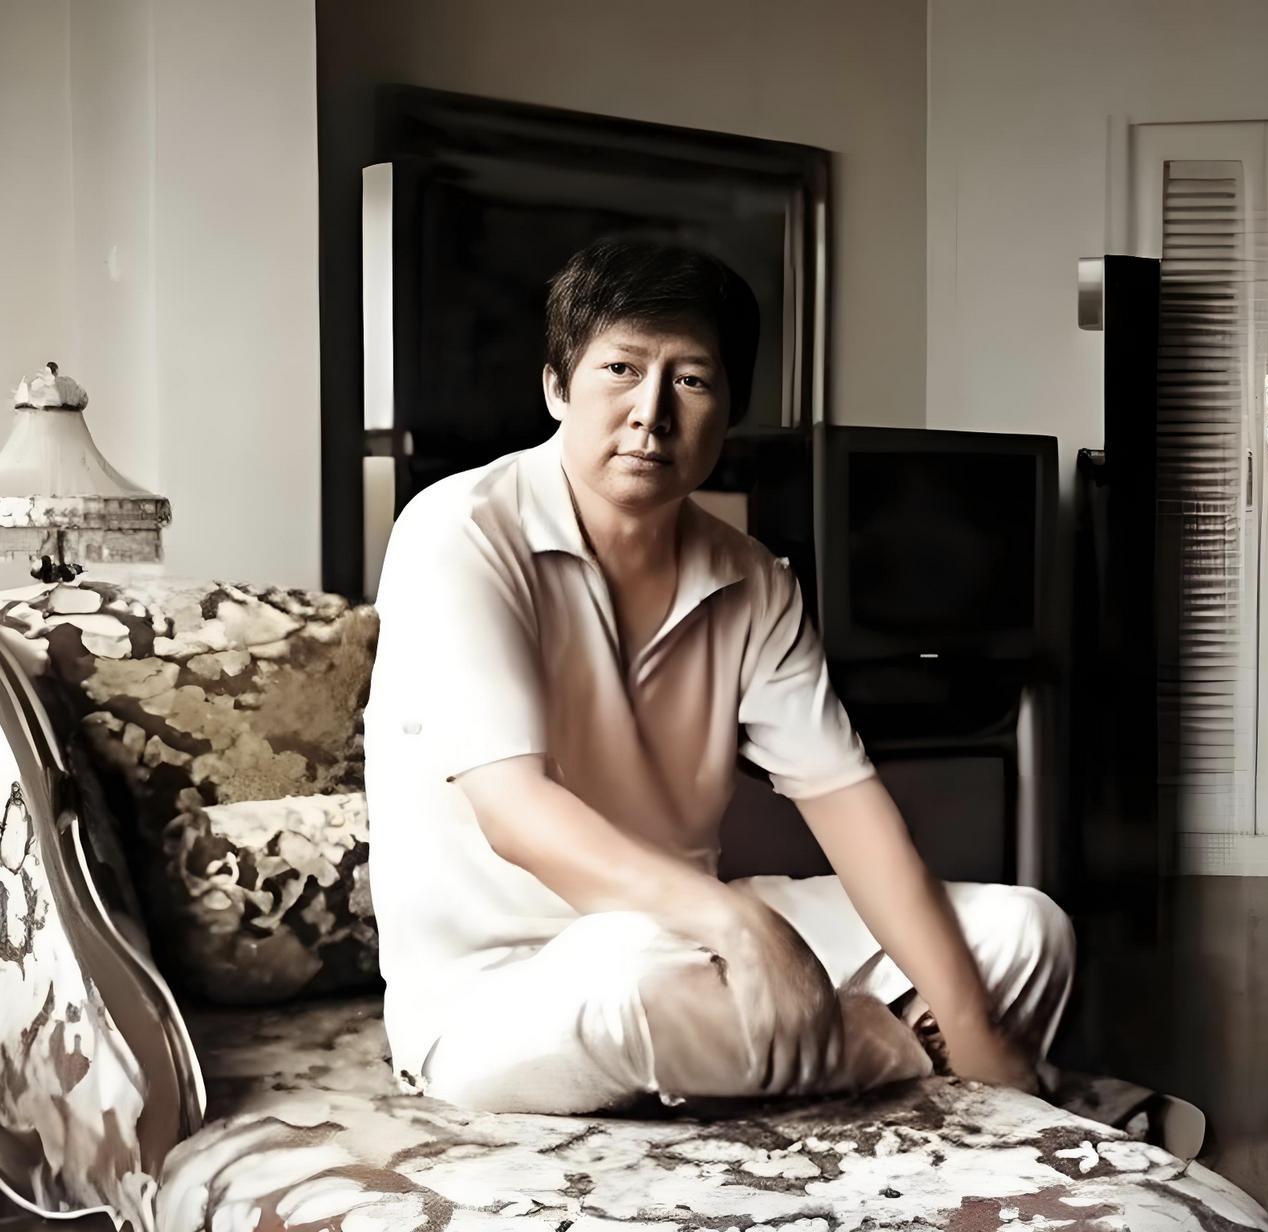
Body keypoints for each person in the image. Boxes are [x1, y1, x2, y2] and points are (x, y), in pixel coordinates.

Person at [364, 237, 1075, 1114]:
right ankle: (898, 1048)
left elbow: (847, 805)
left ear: (729, 409)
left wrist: (968, 1014)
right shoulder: (459, 531)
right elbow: (517, 815)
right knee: (628, 985)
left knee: (1026, 934)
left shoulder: (753, 578)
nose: (652, 414)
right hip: (504, 993)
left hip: (685, 932)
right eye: (621, 369)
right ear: (556, 387)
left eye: (692, 380)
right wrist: (740, 928)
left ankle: (832, 1046)